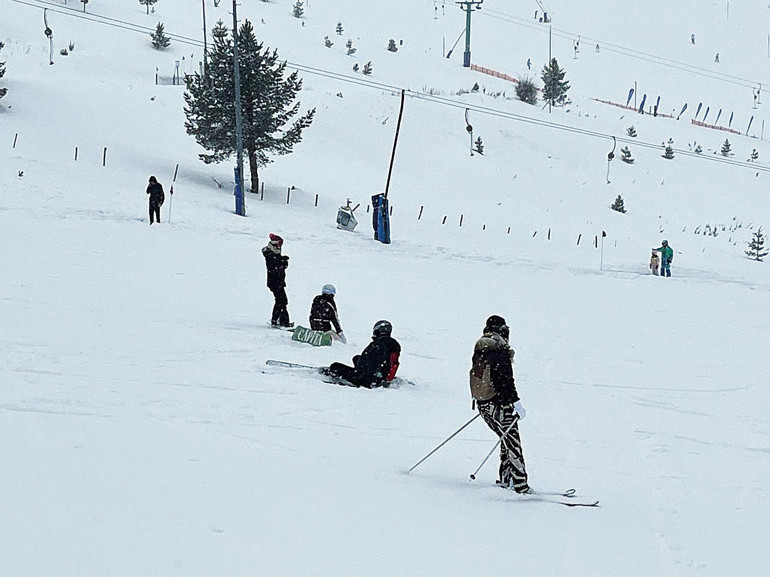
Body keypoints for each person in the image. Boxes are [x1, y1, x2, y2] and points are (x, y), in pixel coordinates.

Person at [469, 315, 530, 493]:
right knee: (513, 443)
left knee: (505, 439)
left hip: (482, 404)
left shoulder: (480, 347)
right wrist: (516, 403)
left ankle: (507, 479)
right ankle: (520, 486)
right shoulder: (499, 349)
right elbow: (505, 381)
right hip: (499, 404)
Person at [325, 320, 400, 388]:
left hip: (366, 379)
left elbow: (365, 363)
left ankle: (331, 375)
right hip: (380, 376)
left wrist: (359, 372)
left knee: (335, 366)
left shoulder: (376, 345)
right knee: (356, 358)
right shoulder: (394, 344)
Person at [262, 233, 292, 327]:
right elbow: (275, 266)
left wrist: (282, 262)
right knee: (281, 300)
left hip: (277, 281)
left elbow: (280, 265)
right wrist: (282, 262)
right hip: (275, 282)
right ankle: (280, 321)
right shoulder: (271, 254)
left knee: (281, 300)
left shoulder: (274, 253)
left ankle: (280, 320)